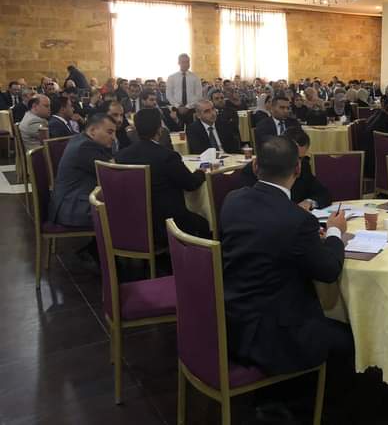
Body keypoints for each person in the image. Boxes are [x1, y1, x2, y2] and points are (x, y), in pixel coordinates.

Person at [221, 136, 353, 375]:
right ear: (298, 168)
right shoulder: (297, 220)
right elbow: (328, 270)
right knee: (352, 338)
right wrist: (335, 231)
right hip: (275, 338)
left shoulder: (232, 200)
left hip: (233, 323)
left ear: (255, 165)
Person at [115, 109, 210, 247]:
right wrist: (201, 172)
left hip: (135, 219)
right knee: (205, 223)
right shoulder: (167, 156)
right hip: (169, 222)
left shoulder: (122, 155)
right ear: (159, 130)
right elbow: (190, 184)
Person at [48, 113, 115, 227]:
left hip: (71, 201)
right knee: (126, 210)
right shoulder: (86, 146)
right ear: (93, 130)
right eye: (110, 132)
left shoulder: (80, 139)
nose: (113, 137)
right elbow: (111, 172)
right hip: (73, 207)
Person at [239, 127, 331, 209]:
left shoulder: (303, 166)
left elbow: (323, 194)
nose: (297, 163)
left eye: (300, 158)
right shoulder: (259, 167)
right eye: (293, 157)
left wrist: (309, 202)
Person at [166, 53, 203, 126]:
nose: (186, 64)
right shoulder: (172, 77)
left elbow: (199, 95)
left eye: (187, 62)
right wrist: (178, 106)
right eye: (183, 62)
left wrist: (187, 107)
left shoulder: (195, 77)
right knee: (177, 129)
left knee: (192, 129)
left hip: (191, 110)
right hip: (176, 109)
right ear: (178, 63)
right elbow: (169, 95)